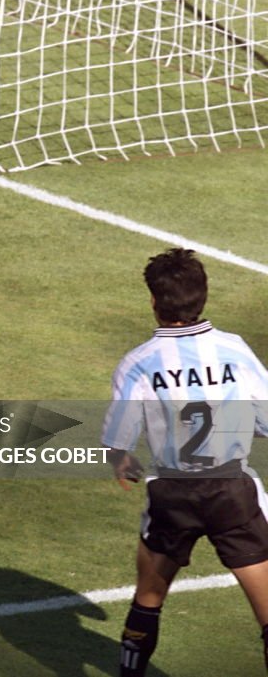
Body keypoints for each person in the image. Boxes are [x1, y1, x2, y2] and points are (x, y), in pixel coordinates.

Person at [101, 248, 268, 676]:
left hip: (172, 494)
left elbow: (117, 445)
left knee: (148, 600)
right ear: (203, 297)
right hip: (232, 492)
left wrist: (124, 463)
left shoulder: (138, 363)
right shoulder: (234, 349)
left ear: (154, 301)